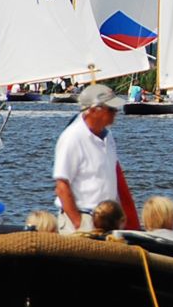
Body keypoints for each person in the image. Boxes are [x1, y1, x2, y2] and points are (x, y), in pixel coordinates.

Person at [53, 83, 140, 233]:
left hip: (108, 220)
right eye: (111, 109)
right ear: (94, 110)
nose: (116, 112)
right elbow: (62, 186)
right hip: (82, 217)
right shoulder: (72, 137)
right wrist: (79, 224)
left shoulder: (108, 136)